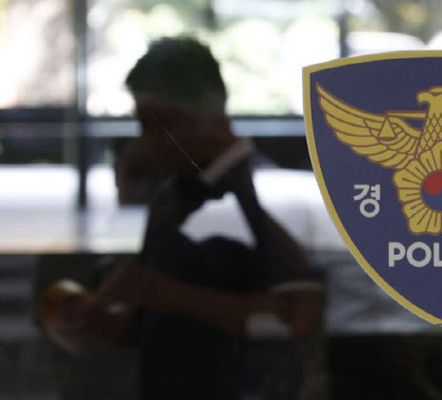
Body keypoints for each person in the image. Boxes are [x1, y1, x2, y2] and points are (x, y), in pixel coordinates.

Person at [64, 36, 323, 400]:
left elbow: (298, 319)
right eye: (144, 124)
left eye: (167, 123)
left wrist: (172, 296)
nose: (153, 140)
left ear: (211, 113)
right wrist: (112, 321)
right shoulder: (172, 197)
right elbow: (160, 317)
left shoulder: (273, 196)